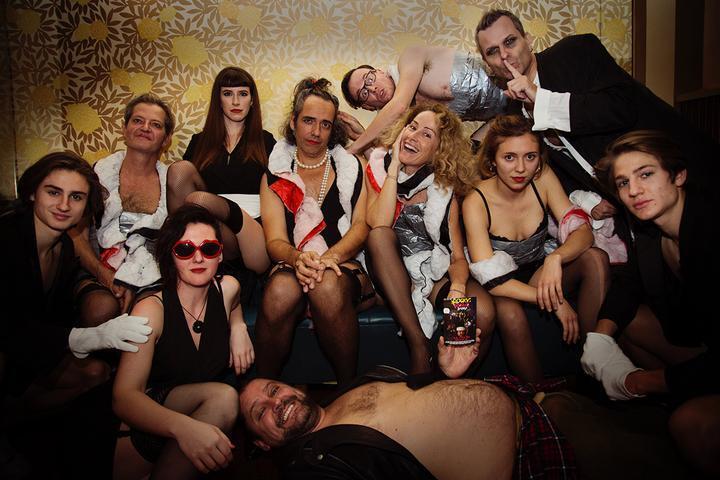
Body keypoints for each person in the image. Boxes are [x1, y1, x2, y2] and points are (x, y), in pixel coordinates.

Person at [474, 9, 718, 248]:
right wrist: (586, 199)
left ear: (528, 40)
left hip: (687, 175)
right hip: (632, 212)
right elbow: (548, 166)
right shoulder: (514, 111)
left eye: (510, 41)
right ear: (488, 64)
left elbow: (622, 107)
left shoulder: (575, 52)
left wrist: (540, 98)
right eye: (492, 51)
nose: (504, 55)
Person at [239, 328, 578, 480]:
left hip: (530, 403)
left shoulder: (348, 389)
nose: (276, 402)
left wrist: (444, 374)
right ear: (262, 444)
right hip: (527, 462)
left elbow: (419, 404)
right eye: (261, 412)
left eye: (273, 390)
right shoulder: (311, 467)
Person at [580, 131, 720, 476]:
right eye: (623, 182)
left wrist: (640, 382)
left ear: (678, 175)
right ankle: (676, 399)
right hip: (699, 340)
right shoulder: (648, 228)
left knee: (688, 424)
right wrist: (600, 336)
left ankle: (681, 403)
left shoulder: (710, 229)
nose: (634, 190)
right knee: (627, 321)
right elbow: (630, 283)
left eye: (646, 174)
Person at [1, 151, 151, 417]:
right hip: (9, 345)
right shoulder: (8, 237)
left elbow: (48, 318)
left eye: (76, 197)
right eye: (53, 192)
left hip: (26, 347)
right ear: (33, 193)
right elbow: (9, 327)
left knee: (97, 374)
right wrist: (87, 337)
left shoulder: (65, 249)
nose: (64, 205)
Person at [463, 115, 609, 382]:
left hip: (533, 271)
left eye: (530, 157)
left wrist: (556, 258)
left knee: (595, 258)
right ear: (492, 160)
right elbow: (493, 281)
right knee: (506, 312)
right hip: (482, 283)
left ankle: (596, 362)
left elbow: (583, 232)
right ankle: (537, 394)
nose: (521, 168)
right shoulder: (474, 200)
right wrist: (557, 302)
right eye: (509, 157)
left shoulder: (543, 178)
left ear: (539, 159)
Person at [112, 204, 253, 479]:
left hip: (200, 415)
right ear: (170, 255)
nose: (198, 258)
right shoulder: (151, 310)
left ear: (220, 254)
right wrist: (184, 428)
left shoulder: (228, 289)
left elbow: (235, 305)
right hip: (146, 426)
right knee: (225, 397)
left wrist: (238, 327)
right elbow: (124, 398)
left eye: (208, 249)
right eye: (185, 249)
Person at [256, 77, 374, 385]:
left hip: (345, 264)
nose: (316, 131)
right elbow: (275, 241)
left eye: (325, 124)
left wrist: (328, 258)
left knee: (326, 285)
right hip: (293, 264)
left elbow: (361, 227)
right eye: (308, 120)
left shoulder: (353, 166)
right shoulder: (274, 174)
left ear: (333, 129)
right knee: (280, 291)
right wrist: (298, 259)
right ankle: (262, 389)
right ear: (293, 122)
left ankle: (347, 389)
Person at [365, 102, 495, 374]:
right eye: (412, 127)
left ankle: (449, 378)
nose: (413, 136)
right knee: (379, 237)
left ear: (439, 149)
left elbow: (457, 257)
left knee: (481, 310)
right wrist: (394, 168)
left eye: (426, 134)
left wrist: (457, 288)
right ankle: (419, 346)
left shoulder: (444, 191)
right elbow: (379, 223)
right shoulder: (378, 170)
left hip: (430, 274)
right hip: (386, 278)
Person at [70, 93, 175, 327]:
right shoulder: (96, 174)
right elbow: (75, 234)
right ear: (124, 129)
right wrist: (106, 275)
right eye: (137, 120)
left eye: (155, 124)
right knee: (100, 309)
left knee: (147, 316)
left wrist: (133, 280)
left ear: (166, 139)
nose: (145, 128)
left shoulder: (172, 181)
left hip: (151, 271)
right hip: (98, 268)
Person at [167, 67, 274, 288]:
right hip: (211, 228)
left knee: (199, 200)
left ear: (252, 101)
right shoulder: (199, 142)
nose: (235, 101)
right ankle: (183, 252)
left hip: (252, 231)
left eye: (242, 94)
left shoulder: (267, 141)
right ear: (219, 99)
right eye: (227, 94)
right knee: (179, 170)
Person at [339, 45, 507, 154]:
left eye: (369, 79)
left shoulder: (410, 56)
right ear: (368, 107)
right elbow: (386, 163)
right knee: (471, 157)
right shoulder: (405, 123)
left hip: (513, 76)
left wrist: (352, 149)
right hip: (508, 115)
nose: (372, 89)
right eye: (364, 93)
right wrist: (361, 135)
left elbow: (399, 105)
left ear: (380, 71)